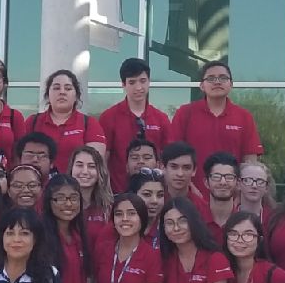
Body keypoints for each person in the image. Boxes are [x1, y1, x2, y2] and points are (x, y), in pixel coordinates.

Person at [167, 59, 264, 171]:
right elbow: (173, 156)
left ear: (231, 84)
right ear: (202, 86)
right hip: (191, 187)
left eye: (223, 78)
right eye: (211, 78)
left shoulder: (244, 117)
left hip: (231, 187)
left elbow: (250, 161)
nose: (217, 82)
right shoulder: (185, 113)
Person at [97, 57, 170, 193]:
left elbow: (166, 159)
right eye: (132, 82)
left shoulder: (161, 119)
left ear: (149, 82)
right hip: (119, 192)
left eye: (143, 81)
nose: (138, 87)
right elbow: (103, 160)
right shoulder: (109, 117)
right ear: (123, 84)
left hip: (153, 194)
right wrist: (106, 193)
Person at [41, 174, 92, 283]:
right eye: (60, 198)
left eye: (73, 198)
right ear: (49, 202)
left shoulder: (80, 236)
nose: (68, 204)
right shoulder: (42, 238)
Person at [26, 69, 107, 175]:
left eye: (68, 88)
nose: (62, 92)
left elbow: (94, 163)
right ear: (47, 95)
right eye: (56, 88)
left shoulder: (90, 124)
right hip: (38, 188)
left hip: (77, 188)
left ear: (76, 96)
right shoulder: (32, 122)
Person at [158, 143, 212, 221]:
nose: (180, 174)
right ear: (162, 167)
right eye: (174, 167)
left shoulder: (202, 208)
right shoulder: (154, 203)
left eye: (186, 168)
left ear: (194, 171)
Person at [69, 145, 114, 237]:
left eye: (91, 166)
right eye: (79, 165)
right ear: (71, 168)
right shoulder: (60, 204)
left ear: (100, 171)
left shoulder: (109, 207)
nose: (85, 171)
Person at [203, 152, 243, 240]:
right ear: (206, 182)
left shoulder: (244, 224)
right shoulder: (195, 221)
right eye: (216, 177)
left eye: (229, 177)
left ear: (238, 183)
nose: (223, 182)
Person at [129, 168, 166, 234]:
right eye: (147, 194)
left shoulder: (168, 229)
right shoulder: (119, 226)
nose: (154, 201)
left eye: (160, 195)